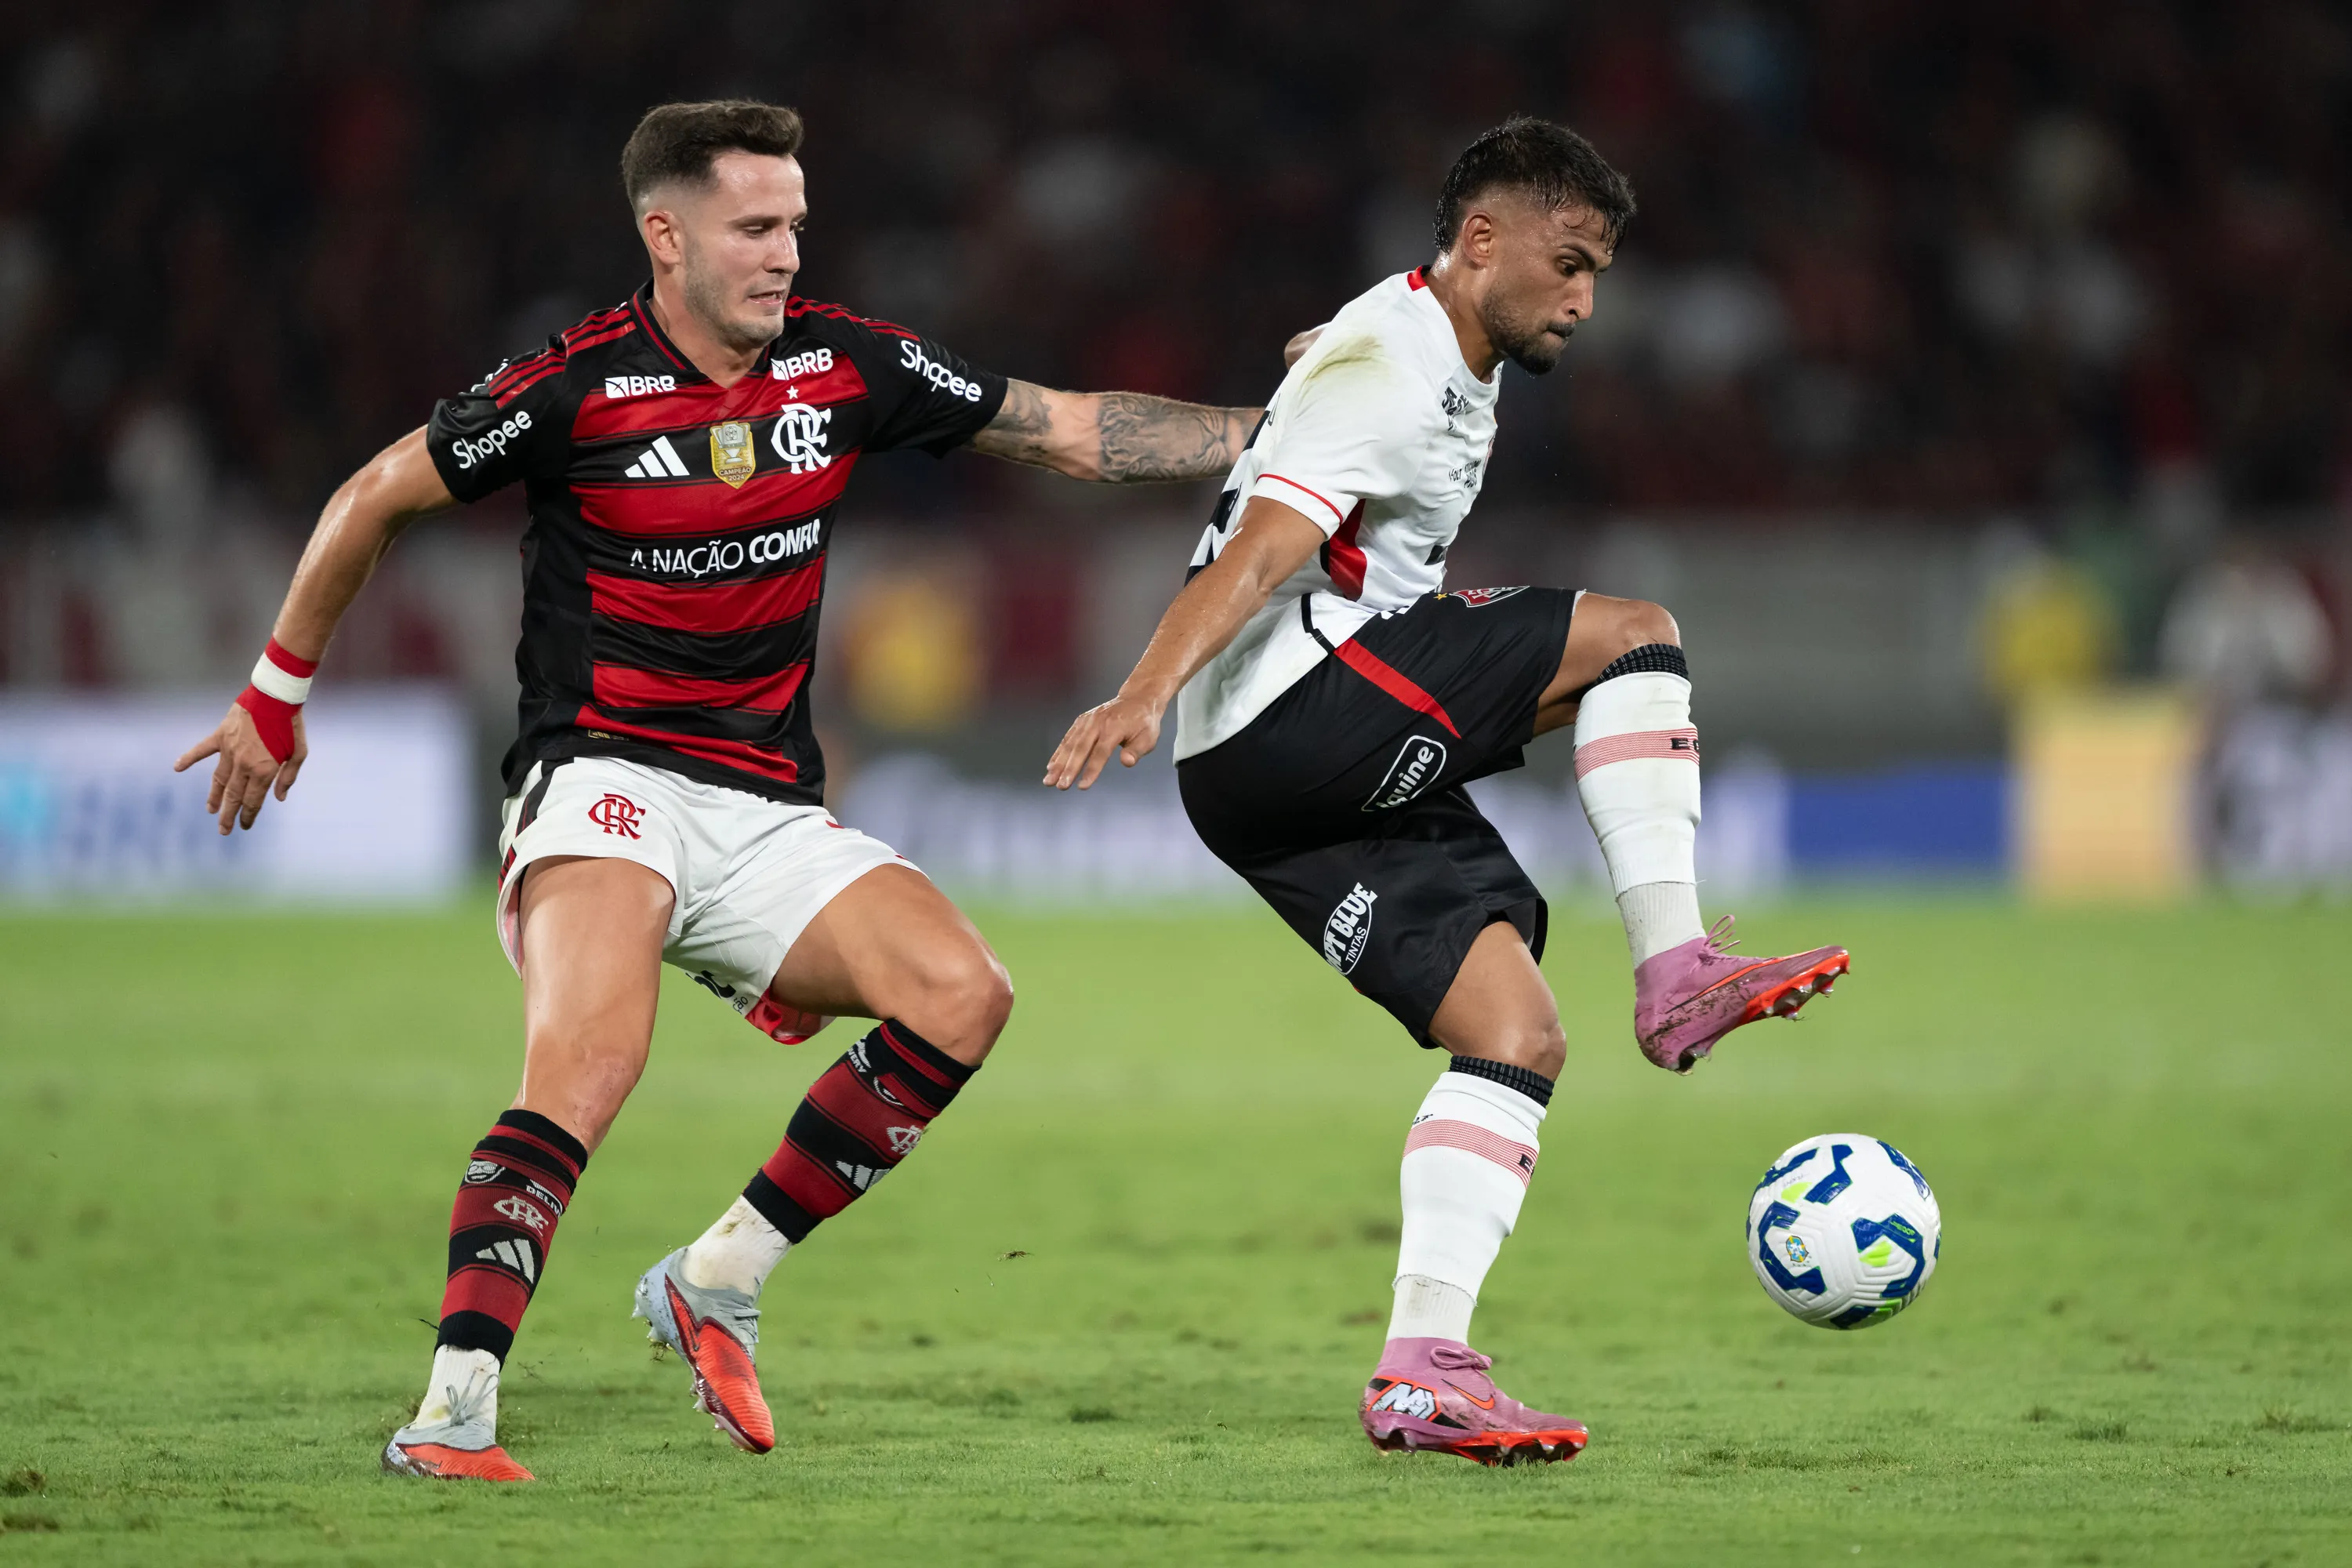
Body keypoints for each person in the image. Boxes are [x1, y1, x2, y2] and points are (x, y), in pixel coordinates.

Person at [172, 100, 1262, 1483]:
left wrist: (1287, 425)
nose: (786, 252)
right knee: (588, 1065)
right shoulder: (570, 390)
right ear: (666, 235)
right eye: (756, 227)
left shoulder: (847, 366)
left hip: (762, 807)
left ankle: (715, 1277)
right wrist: (274, 694)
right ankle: (453, 1410)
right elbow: (372, 497)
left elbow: (1066, 432)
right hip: (601, 781)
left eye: (796, 223)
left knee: (964, 995)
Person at [1044, 118, 1849, 1466]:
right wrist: (1139, 688)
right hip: (1296, 711)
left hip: (1254, 787)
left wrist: (1314, 366)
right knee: (1632, 632)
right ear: (1482, 241)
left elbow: (1332, 379)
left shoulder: (1410, 341)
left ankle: (1422, 1373)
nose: (1587, 302)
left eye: (1599, 273)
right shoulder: (1392, 367)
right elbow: (1256, 556)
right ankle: (1678, 967)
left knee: (1517, 1034)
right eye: (1570, 263)